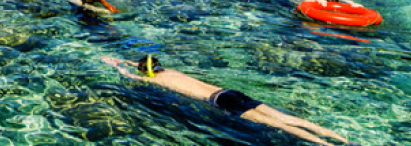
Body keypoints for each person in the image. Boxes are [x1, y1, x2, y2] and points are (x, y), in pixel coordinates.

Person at [103, 55, 350, 146]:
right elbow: (144, 66)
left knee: (278, 126)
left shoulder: (153, 81)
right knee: (286, 118)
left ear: (143, 71)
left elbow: (128, 73)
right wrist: (128, 61)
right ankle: (339, 137)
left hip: (219, 101)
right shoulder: (170, 73)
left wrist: (115, 64)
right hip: (230, 92)